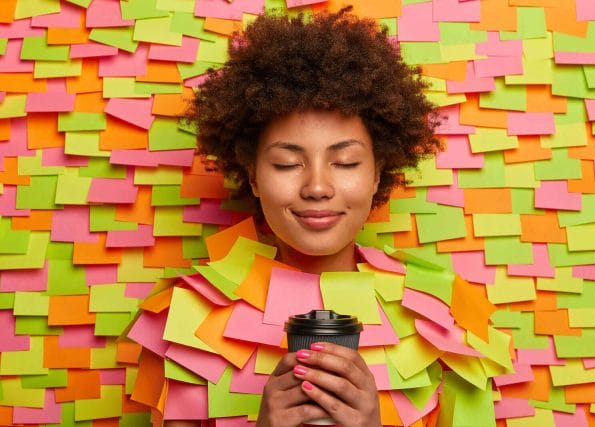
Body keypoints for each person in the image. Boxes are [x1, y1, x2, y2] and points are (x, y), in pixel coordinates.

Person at [128, 7, 504, 427]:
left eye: (345, 162)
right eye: (288, 164)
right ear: (252, 177)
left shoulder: (444, 315)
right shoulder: (188, 314)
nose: (318, 187)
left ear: (378, 172)